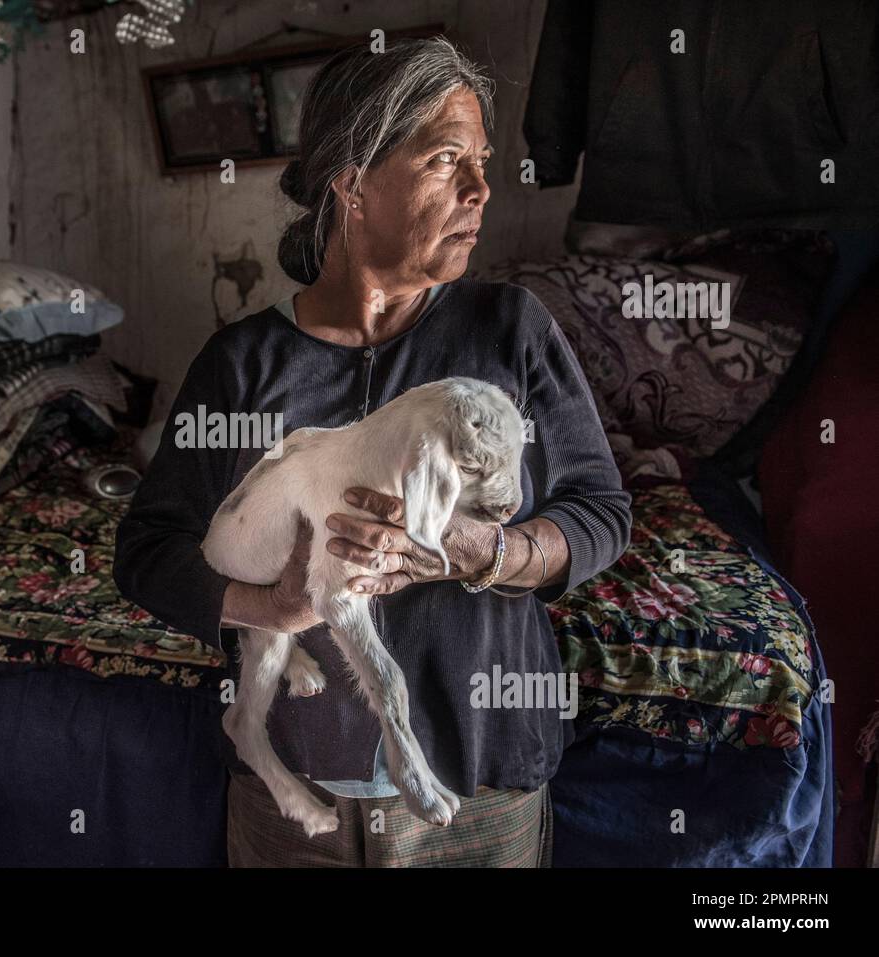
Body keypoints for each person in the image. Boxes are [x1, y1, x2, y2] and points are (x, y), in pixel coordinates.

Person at [114, 36, 631, 867]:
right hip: (295, 809)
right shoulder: (242, 363)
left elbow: (602, 513)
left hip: (477, 795)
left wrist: (484, 551)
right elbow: (145, 552)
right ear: (352, 185)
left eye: (483, 163)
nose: (480, 189)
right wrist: (272, 605)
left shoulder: (510, 332)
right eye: (446, 161)